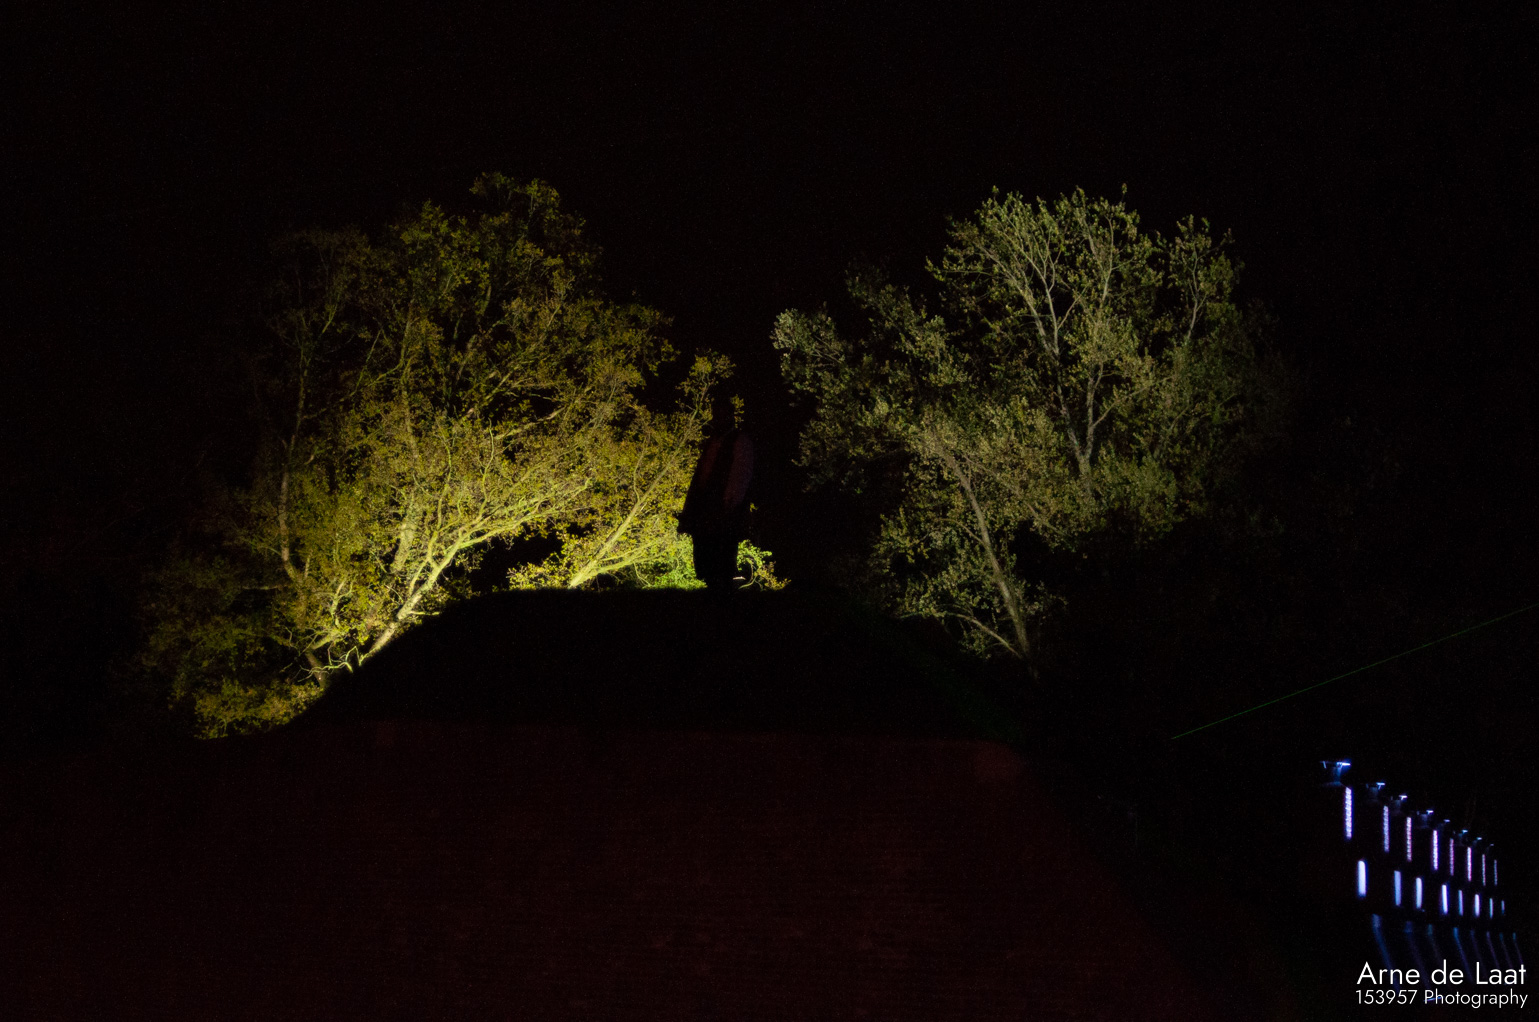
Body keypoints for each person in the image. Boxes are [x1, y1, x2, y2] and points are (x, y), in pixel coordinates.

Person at [677, 426, 754, 589]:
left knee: (721, 553)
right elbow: (701, 477)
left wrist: (730, 502)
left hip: (721, 509)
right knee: (707, 554)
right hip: (706, 508)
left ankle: (722, 587)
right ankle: (716, 586)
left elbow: (739, 474)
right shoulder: (713, 442)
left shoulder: (737, 441)